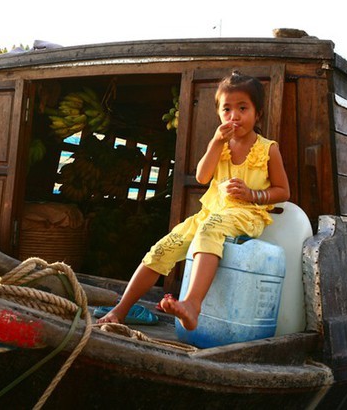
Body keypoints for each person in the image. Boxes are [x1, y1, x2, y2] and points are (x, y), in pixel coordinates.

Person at [97, 71, 290, 331]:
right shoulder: (219, 145)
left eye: (243, 108)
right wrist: (214, 143)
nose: (234, 116)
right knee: (162, 249)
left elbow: (283, 191)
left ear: (258, 114)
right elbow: (201, 177)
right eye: (227, 109)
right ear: (219, 114)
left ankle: (192, 305)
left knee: (210, 229)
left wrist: (253, 195)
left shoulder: (268, 148)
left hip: (247, 214)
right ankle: (121, 310)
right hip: (211, 213)